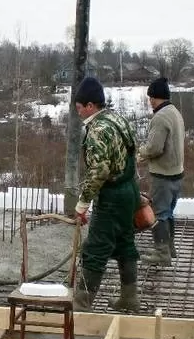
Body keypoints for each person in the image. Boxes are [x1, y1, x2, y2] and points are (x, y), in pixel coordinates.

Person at [73, 77, 141, 313]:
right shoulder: (117, 118)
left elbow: (99, 170)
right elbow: (132, 153)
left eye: (80, 107)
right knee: (125, 243)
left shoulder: (98, 130)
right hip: (128, 189)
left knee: (95, 248)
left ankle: (81, 305)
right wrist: (135, 192)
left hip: (112, 196)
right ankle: (130, 298)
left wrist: (82, 203)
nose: (78, 112)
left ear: (90, 105)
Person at [139, 77, 185, 266]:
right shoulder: (175, 112)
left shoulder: (160, 117)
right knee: (168, 213)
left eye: (150, 98)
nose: (149, 102)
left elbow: (154, 148)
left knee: (158, 214)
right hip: (177, 174)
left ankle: (162, 253)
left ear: (154, 97)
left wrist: (139, 153)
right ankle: (169, 248)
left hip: (163, 176)